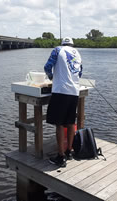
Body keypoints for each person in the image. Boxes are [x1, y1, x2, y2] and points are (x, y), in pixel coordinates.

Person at [44, 37, 82, 168]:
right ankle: (69, 151)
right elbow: (80, 72)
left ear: (62, 44)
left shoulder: (57, 50)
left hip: (60, 91)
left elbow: (48, 66)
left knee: (59, 124)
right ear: (72, 44)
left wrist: (51, 77)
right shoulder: (77, 53)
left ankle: (60, 157)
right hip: (74, 92)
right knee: (71, 122)